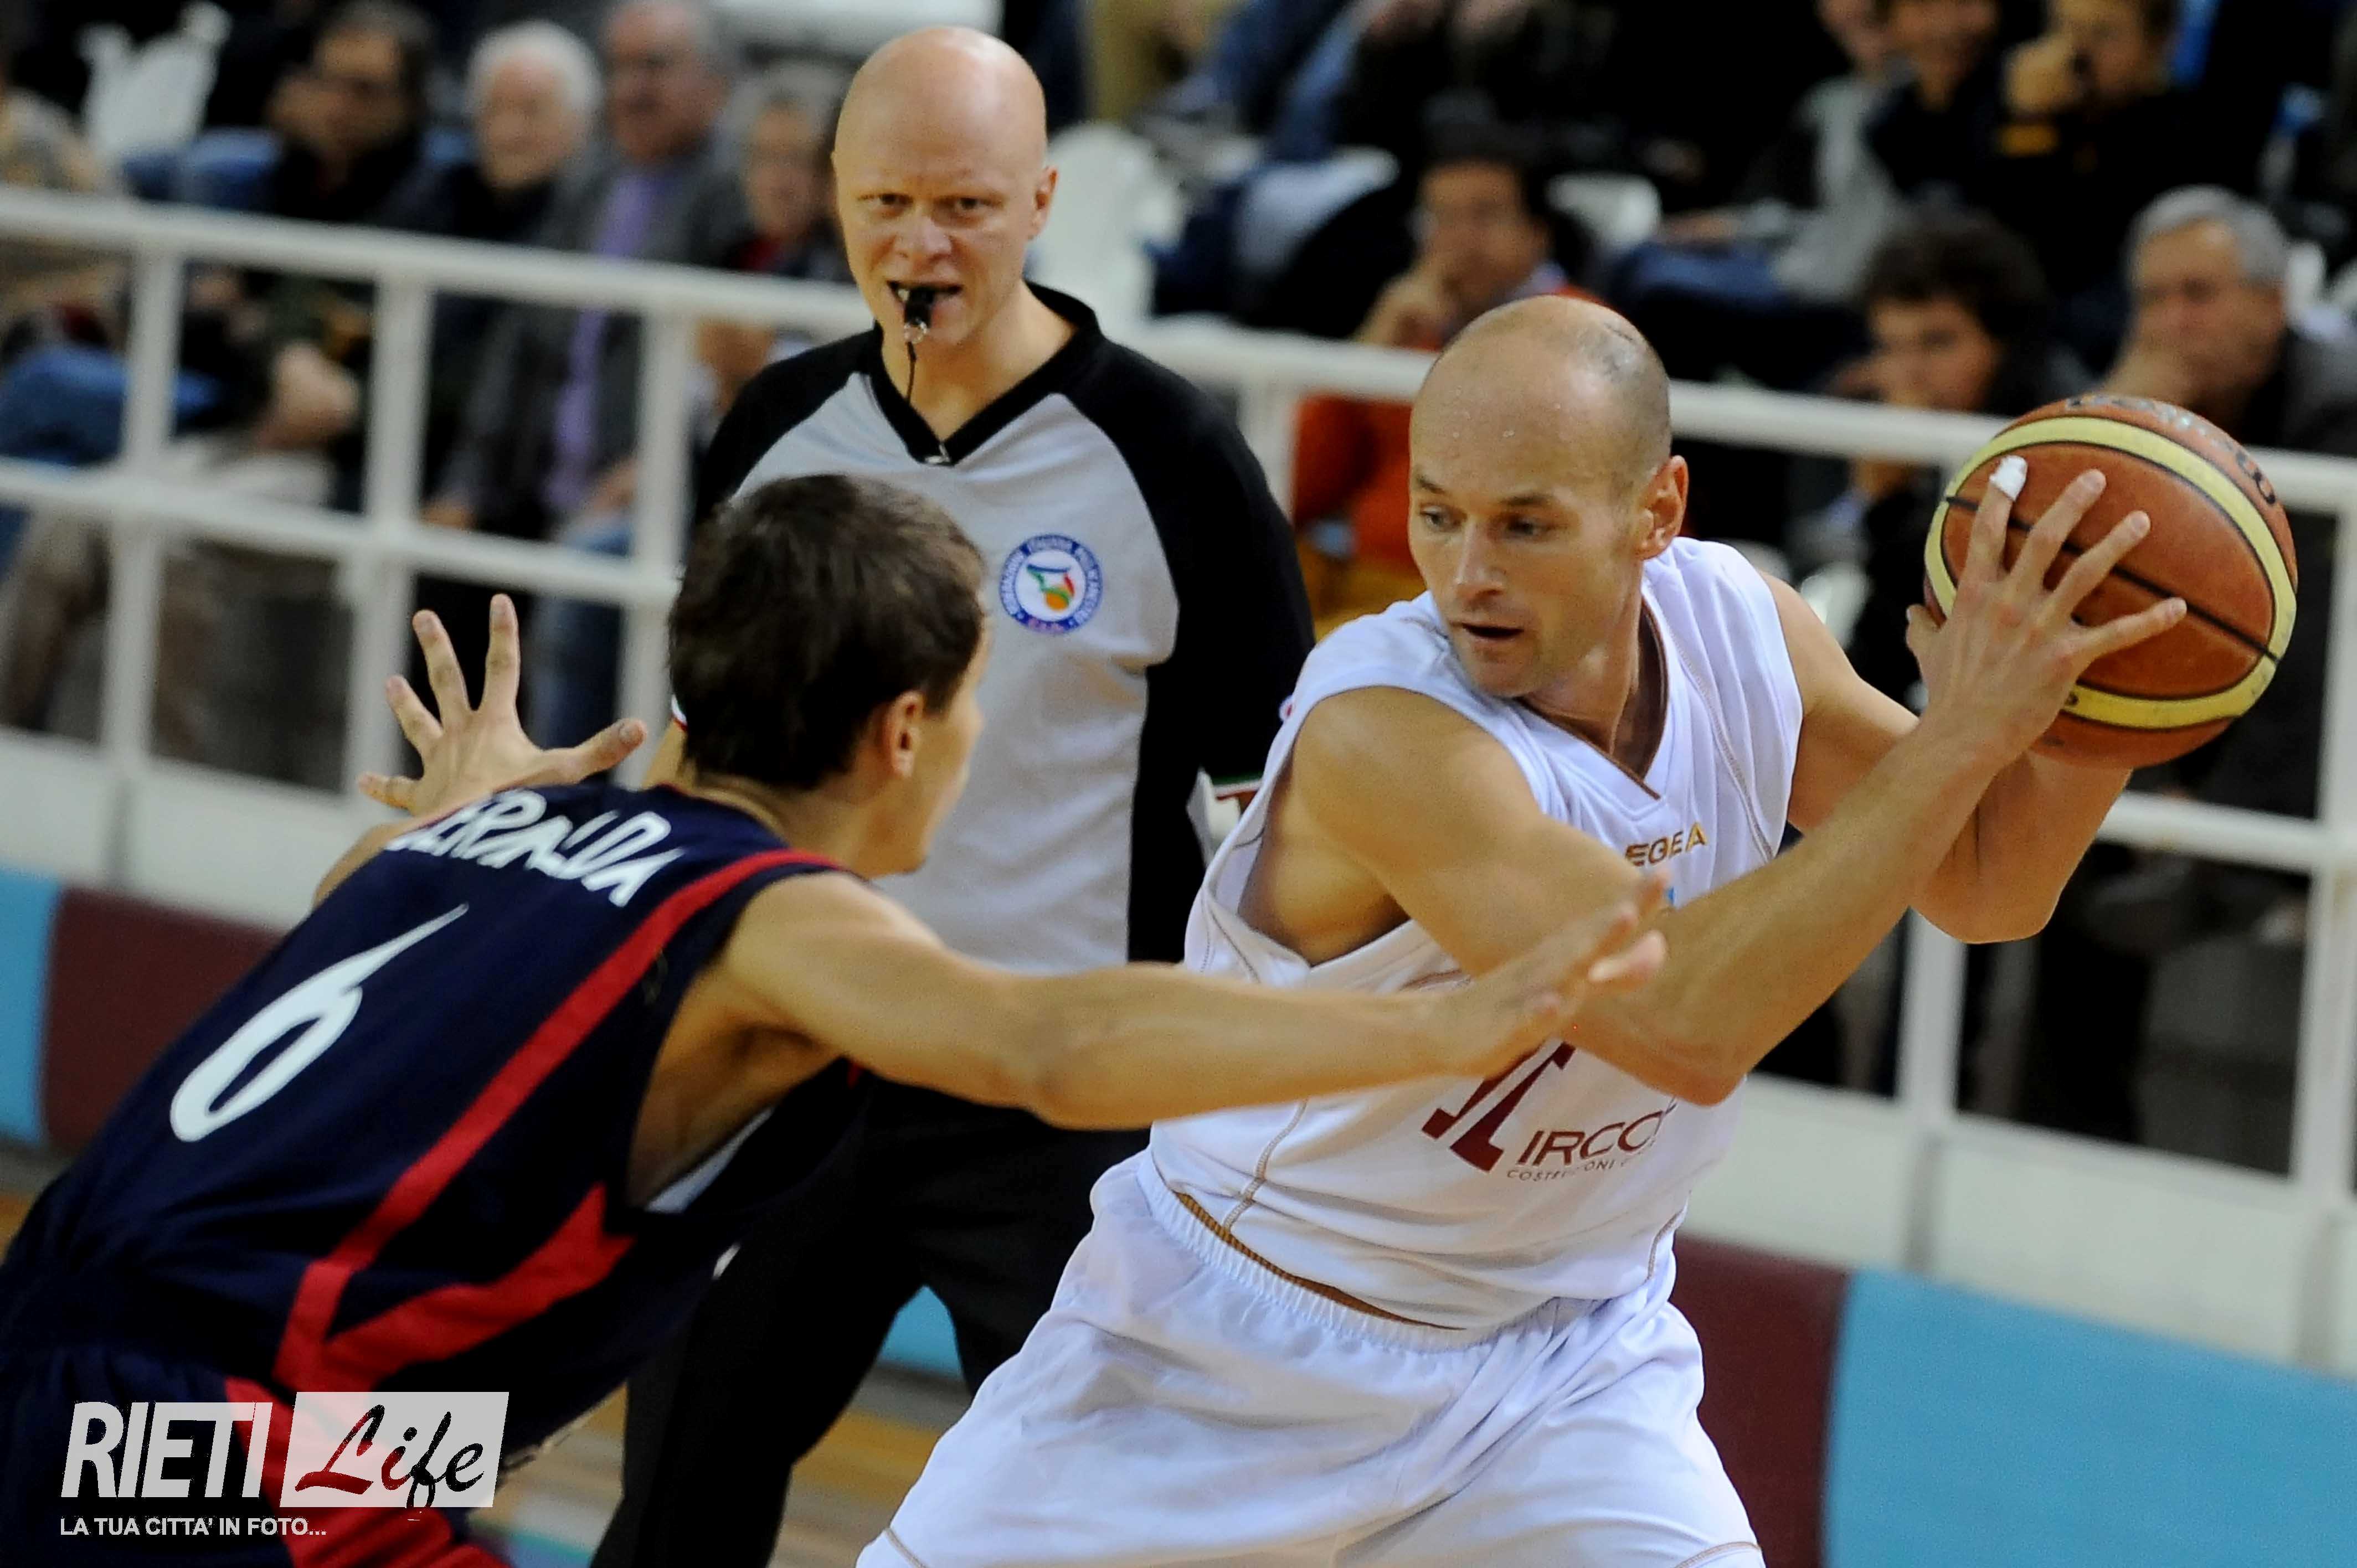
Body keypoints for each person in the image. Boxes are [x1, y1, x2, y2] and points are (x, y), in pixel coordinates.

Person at [0, 473, 1665, 1565]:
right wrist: (1449, 1024)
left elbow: (353, 916)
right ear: (903, 730)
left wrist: (466, 816)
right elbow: (1047, 1045)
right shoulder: (764, 912)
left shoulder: (472, 843)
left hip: (69, 1378)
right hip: (207, 1435)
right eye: (975, 705)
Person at [857, 295, 2186, 1567]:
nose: (1469, 573)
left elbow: (1988, 880)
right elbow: (1683, 1023)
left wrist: (2115, 677)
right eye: (1439, 515)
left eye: (1526, 525)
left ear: (1657, 509)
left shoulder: (1745, 635)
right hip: (1237, 1341)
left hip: (1562, 1366)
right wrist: (1960, 733)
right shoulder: (1385, 728)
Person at [590, 28, 1315, 1568]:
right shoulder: (775, 428)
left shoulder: (1173, 454)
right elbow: (707, 763)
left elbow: (1282, 807)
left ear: (1043, 200)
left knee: (1092, 1542)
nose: (924, 247)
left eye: (969, 207)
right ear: (835, 194)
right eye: (889, 204)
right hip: (795, 1058)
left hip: (1060, 1102)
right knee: (671, 1515)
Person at [421, 0, 743, 702]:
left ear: (715, 83)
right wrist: (463, 484)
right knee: (432, 583)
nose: (632, 89)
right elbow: (517, 347)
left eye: (654, 67)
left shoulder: (735, 196)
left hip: (652, 499)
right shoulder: (591, 182)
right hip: (532, 488)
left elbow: (735, 364)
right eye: (618, 69)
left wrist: (663, 462)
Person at [1295, 120, 1589, 627]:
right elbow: (1294, 487)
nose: (1460, 240)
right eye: (1441, 217)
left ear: (1538, 232)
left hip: (1477, 605)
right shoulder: (1410, 321)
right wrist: (1371, 350)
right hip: (1362, 583)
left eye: (1485, 216)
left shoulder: (1586, 338)